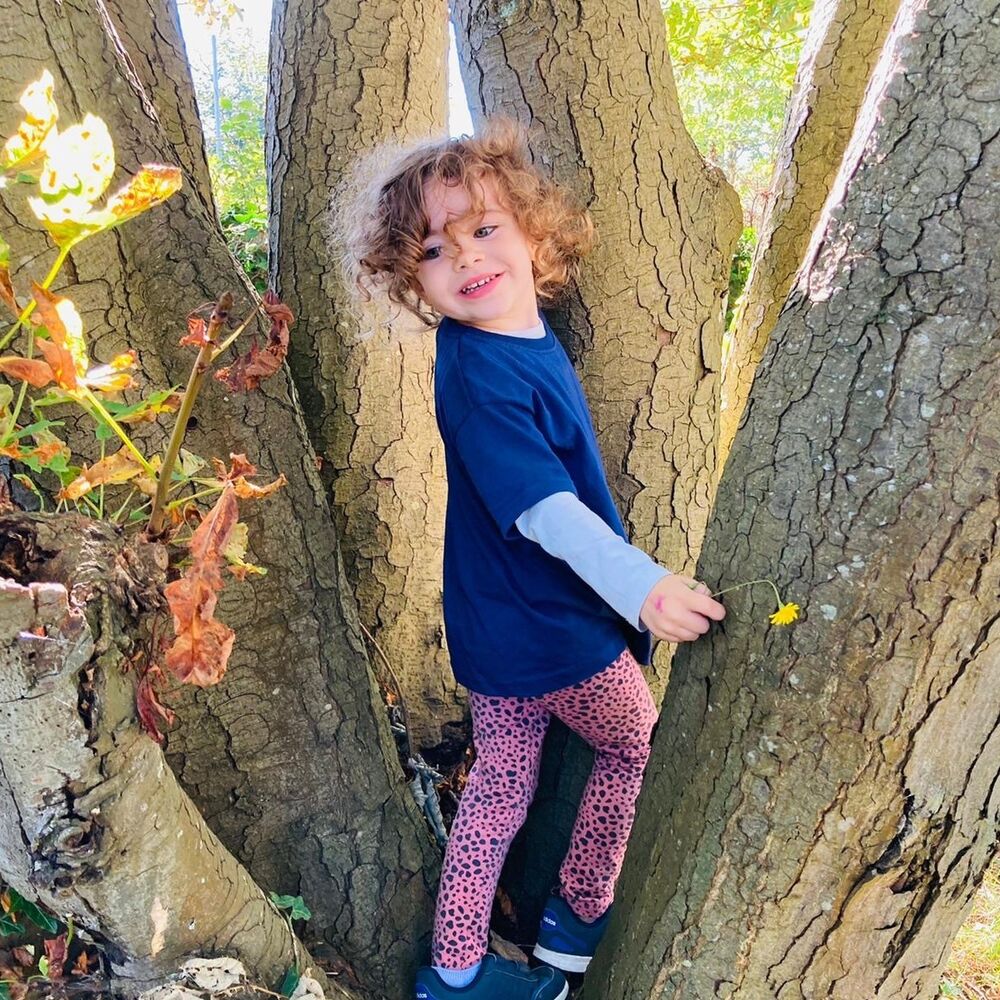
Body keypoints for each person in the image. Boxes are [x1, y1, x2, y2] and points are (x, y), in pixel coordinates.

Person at [336, 119, 726, 1000]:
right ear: (410, 279)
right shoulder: (482, 378)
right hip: (555, 632)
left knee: (499, 790)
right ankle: (579, 912)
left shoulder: (498, 340)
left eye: (484, 228)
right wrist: (643, 586)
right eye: (433, 250)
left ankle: (456, 973)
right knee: (631, 744)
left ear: (533, 234)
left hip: (491, 629)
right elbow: (545, 510)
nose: (466, 258)